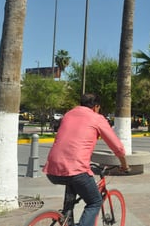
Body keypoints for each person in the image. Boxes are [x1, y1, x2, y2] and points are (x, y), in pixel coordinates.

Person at [43, 93, 129, 226]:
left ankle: (67, 218)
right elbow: (116, 146)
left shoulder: (68, 114)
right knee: (95, 202)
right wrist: (124, 165)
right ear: (96, 107)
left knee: (71, 197)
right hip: (77, 170)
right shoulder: (97, 118)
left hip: (52, 169)